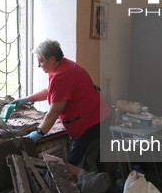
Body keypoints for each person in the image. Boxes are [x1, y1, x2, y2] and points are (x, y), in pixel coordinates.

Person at [11, 39, 113, 167]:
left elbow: (55, 111)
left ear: (52, 59)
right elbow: (51, 91)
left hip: (93, 121)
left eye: (41, 61)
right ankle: (96, 182)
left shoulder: (63, 74)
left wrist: (40, 132)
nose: (38, 65)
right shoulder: (58, 68)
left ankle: (94, 184)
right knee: (91, 161)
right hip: (96, 116)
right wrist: (27, 99)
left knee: (74, 166)